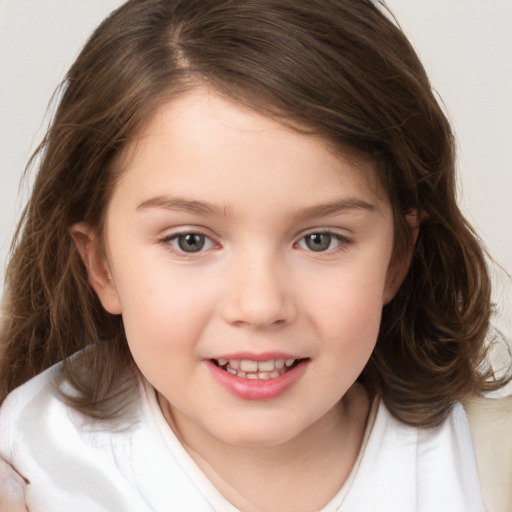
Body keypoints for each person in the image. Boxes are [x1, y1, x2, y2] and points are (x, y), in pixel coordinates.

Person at [0, 0, 508, 510]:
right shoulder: (35, 466)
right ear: (101, 266)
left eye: (320, 239)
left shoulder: (483, 467)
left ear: (396, 257)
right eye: (190, 240)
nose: (261, 305)